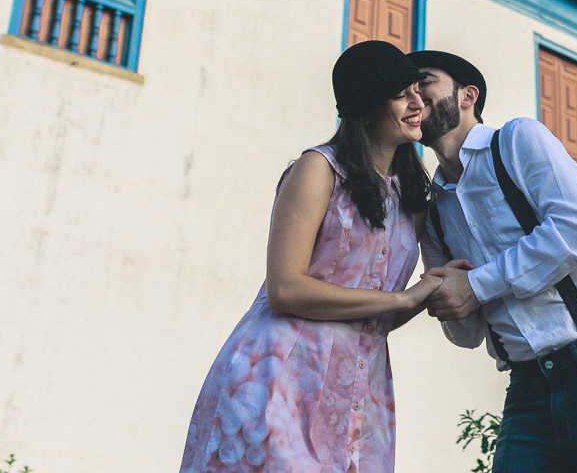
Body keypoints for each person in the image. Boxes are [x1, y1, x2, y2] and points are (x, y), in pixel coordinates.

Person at [407, 49, 577, 473]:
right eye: (406, 89)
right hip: (528, 386)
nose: (414, 94)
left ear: (468, 96)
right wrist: (447, 301)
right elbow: (465, 334)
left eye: (424, 81)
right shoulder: (434, 212)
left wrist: (477, 285)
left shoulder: (516, 139)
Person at [180, 41, 444, 473]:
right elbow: (285, 289)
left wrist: (428, 294)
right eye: (402, 94)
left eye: (418, 90)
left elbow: (375, 316)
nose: (419, 103)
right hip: (281, 380)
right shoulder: (318, 169)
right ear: (366, 104)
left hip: (362, 394)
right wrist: (404, 298)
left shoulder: (411, 198)